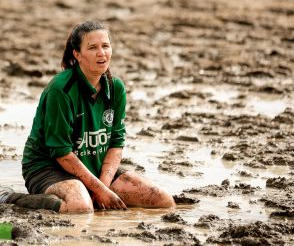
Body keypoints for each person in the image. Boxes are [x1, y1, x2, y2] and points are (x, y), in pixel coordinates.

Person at [0, 20, 175, 213]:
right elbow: (62, 153)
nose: (101, 53)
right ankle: (8, 197)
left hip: (93, 167)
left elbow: (116, 144)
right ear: (77, 54)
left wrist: (102, 188)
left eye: (105, 46)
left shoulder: (116, 88)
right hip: (48, 168)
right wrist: (98, 190)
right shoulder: (60, 90)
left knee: (161, 200)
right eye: (92, 48)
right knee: (81, 208)